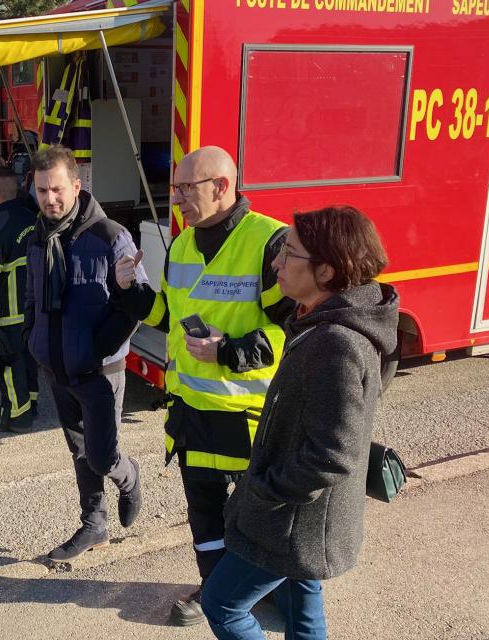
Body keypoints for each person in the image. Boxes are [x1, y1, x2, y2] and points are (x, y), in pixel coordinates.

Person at [114, 146, 293, 626]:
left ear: (221, 186)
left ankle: (271, 589)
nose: (177, 200)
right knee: (206, 518)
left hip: (249, 419)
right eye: (174, 189)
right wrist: (131, 293)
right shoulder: (183, 245)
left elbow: (297, 328)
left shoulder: (270, 241)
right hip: (191, 415)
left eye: (185, 188)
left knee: (260, 518)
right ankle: (216, 590)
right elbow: (170, 317)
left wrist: (229, 352)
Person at [200, 205, 397, 640]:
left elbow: (333, 455)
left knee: (222, 605)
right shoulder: (322, 322)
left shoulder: (337, 344)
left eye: (289, 254)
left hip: (290, 521)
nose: (276, 263)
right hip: (305, 521)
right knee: (302, 604)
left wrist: (264, 492)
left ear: (327, 271)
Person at [24, 144, 146, 562]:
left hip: (98, 371)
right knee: (79, 453)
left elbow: (139, 308)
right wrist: (31, 337)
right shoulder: (38, 236)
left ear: (77, 186)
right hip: (57, 369)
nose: (49, 199)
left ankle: (129, 477)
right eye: (42, 191)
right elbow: (32, 297)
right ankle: (94, 525)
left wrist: (97, 349)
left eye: (57, 189)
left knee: (101, 455)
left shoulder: (111, 237)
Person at [0, 166, 39, 433]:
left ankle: (16, 417)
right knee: (31, 362)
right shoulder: (35, 219)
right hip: (37, 310)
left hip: (8, 312)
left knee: (9, 365)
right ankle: (32, 406)